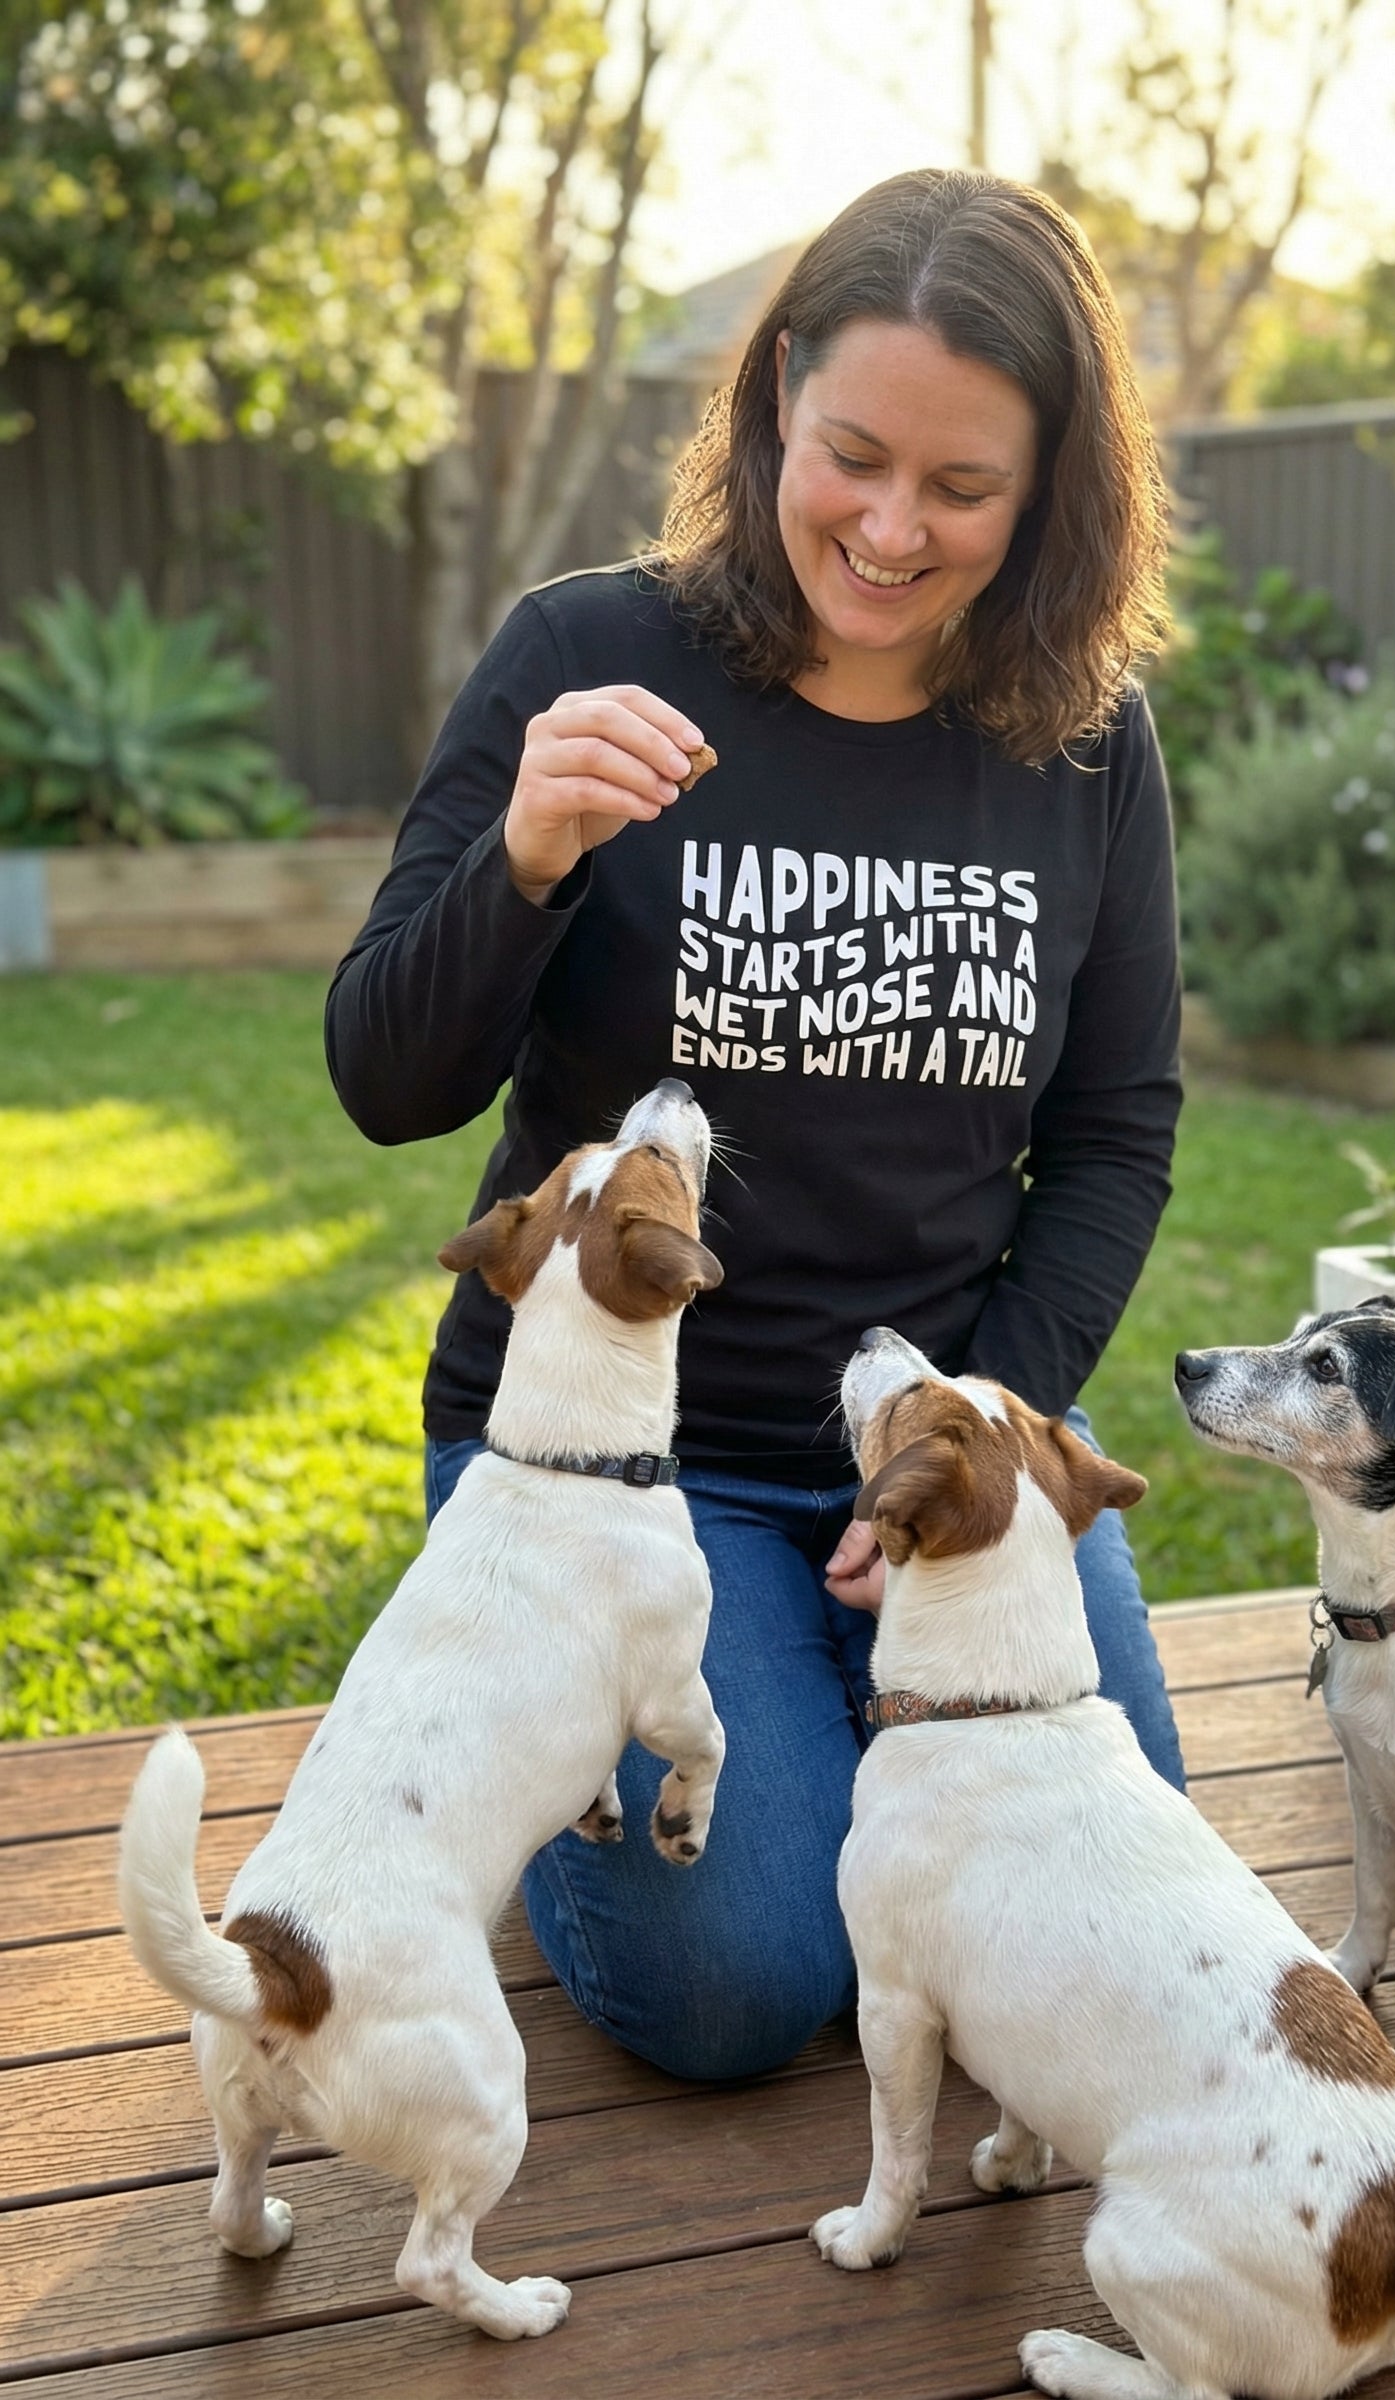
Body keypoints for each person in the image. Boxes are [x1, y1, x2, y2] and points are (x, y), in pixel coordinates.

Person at [325, 166, 1187, 2082]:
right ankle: (555, 1755)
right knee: (735, 1992)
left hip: (926, 1435)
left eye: (962, 488)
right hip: (612, 1473)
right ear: (781, 389)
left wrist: (967, 1441)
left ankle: (798, 1722)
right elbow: (386, 1082)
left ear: (1050, 491)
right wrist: (525, 858)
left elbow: (1117, 1132)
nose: (889, 527)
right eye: (854, 456)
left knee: (1116, 1923)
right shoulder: (584, 655)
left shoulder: (1085, 740)